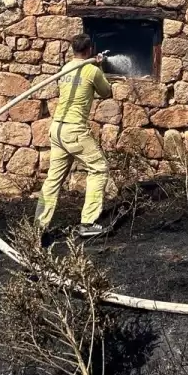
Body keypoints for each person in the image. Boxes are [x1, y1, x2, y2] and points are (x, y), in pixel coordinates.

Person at [35, 33, 113, 238]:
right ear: (89, 49)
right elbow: (106, 93)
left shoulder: (64, 69)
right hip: (74, 130)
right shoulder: (92, 70)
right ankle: (88, 222)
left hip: (57, 129)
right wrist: (100, 67)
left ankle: (39, 225)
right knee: (99, 168)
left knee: (53, 179)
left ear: (74, 50)